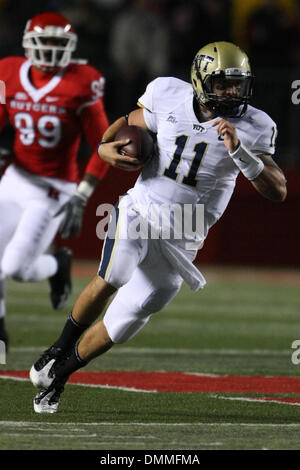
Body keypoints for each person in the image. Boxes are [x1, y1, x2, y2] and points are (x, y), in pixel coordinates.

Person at [29, 41, 287, 413]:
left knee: (125, 321)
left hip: (184, 237)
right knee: (114, 274)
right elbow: (128, 123)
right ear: (200, 80)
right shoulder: (167, 93)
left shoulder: (255, 126)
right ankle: (59, 346)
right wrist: (103, 147)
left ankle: (61, 375)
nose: (232, 92)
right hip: (140, 211)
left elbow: (277, 190)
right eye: (223, 83)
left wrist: (239, 152)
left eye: (237, 84)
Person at [0, 12, 110, 349]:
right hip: (15, 178)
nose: (49, 50)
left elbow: (103, 144)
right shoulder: (8, 71)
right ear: (28, 44)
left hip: (52, 190)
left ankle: (55, 264)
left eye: (57, 43)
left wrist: (82, 194)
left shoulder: (82, 81)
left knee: (16, 267)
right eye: (43, 42)